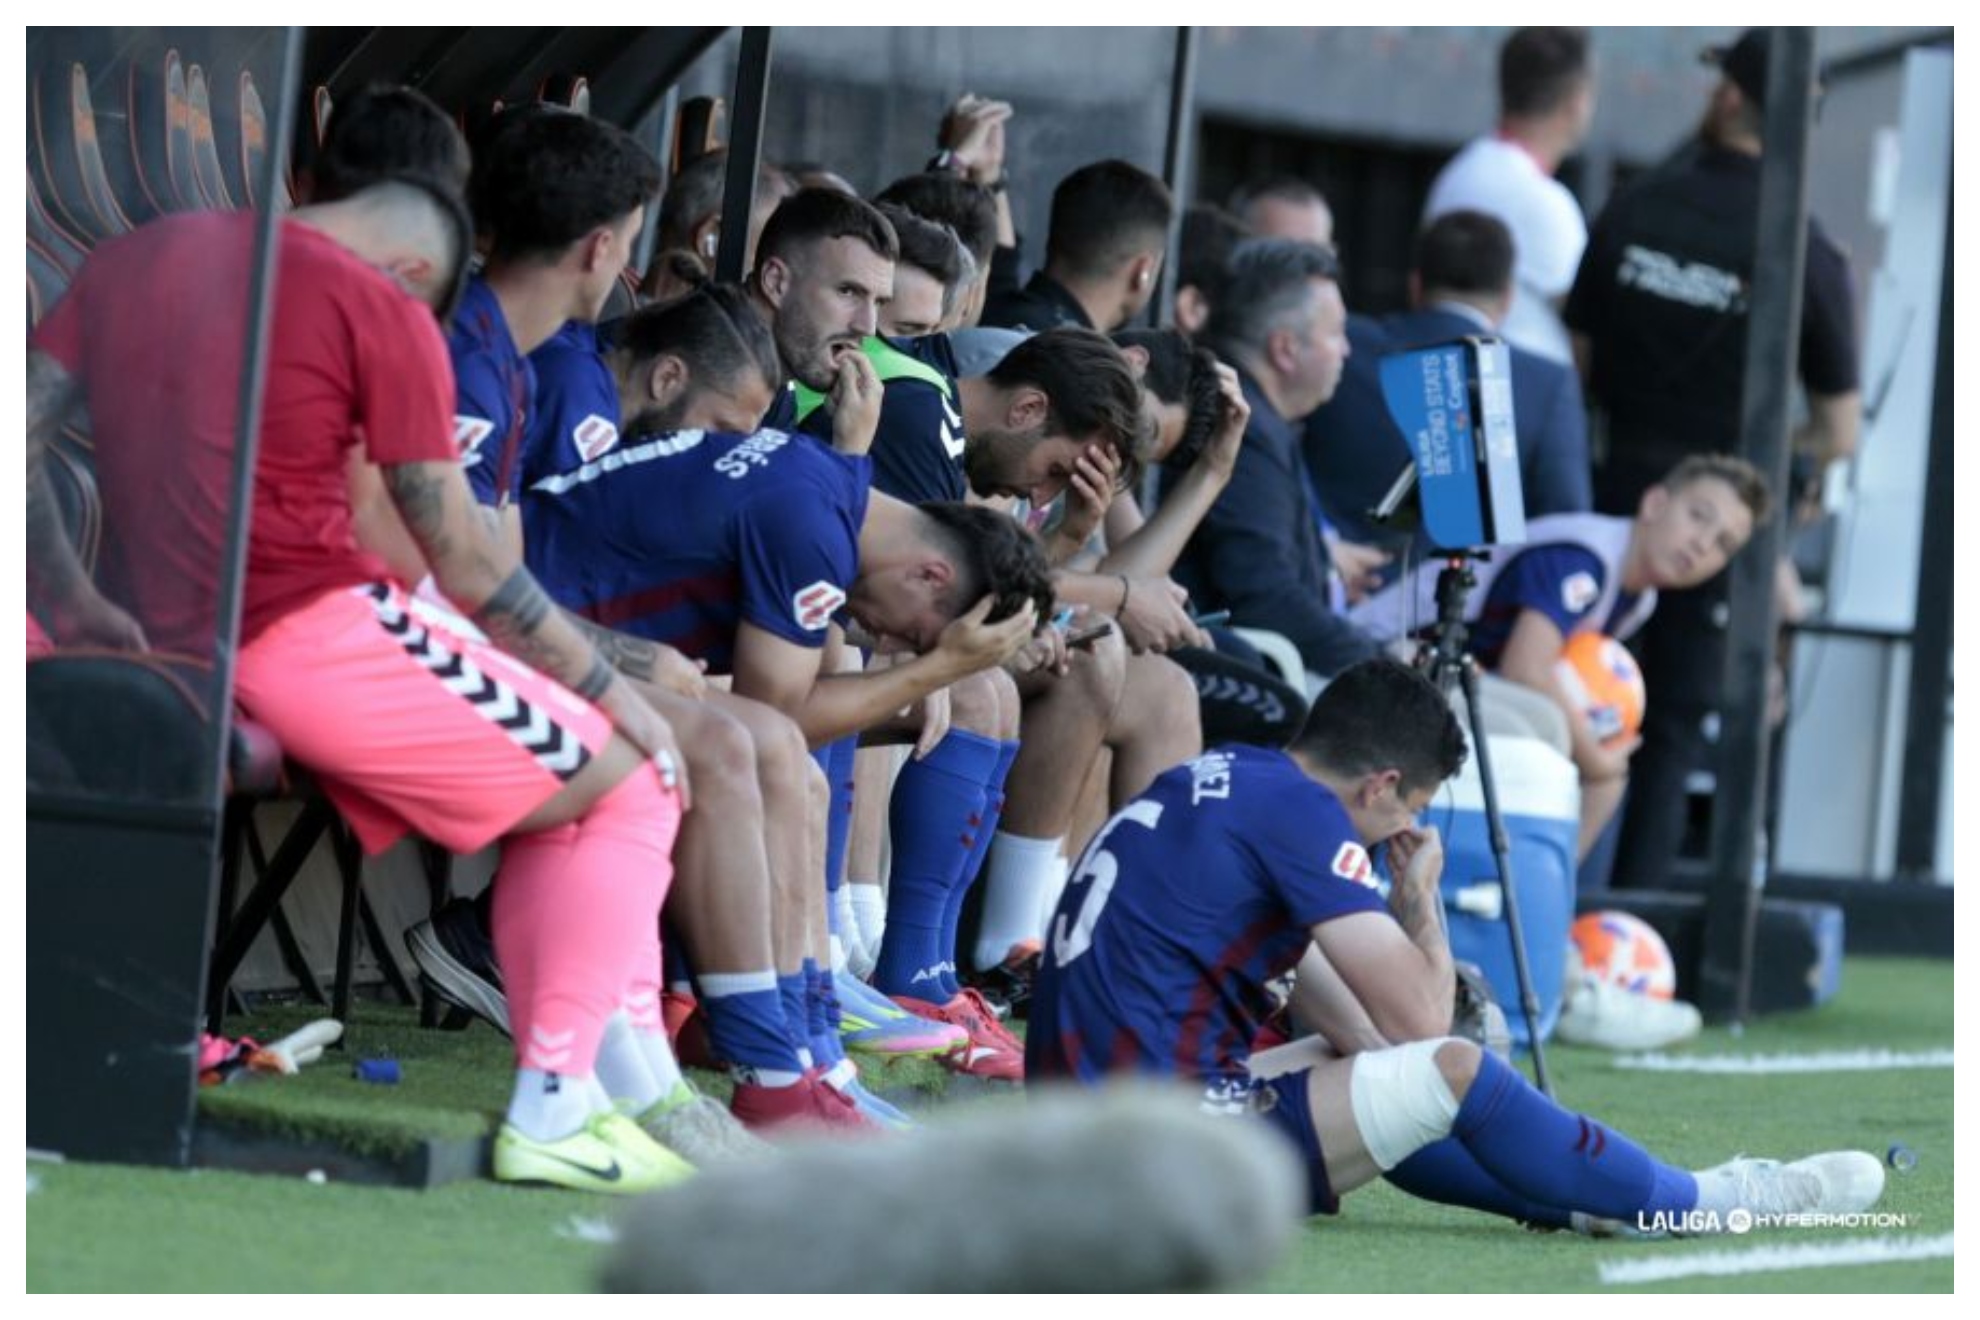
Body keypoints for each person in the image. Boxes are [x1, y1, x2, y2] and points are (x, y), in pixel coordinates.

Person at [30, 178, 696, 1195]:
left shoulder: (135, 257)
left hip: (171, 632)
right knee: (636, 777)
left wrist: (71, 599)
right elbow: (462, 560)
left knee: (595, 779)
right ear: (416, 273)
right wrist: (616, 686)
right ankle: (560, 1107)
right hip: (308, 632)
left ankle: (598, 1095)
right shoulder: (376, 304)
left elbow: (18, 426)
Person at [1028, 658, 1885, 1231]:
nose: (1407, 827)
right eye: (1413, 808)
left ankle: (1585, 1197)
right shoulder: (1303, 817)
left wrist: (1369, 1051)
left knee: (1364, 1063)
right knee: (1454, 1071)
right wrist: (1419, 901)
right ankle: (1701, 1201)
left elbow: (1358, 1030)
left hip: (1080, 1122)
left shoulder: (1230, 775)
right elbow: (1425, 1028)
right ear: (1383, 784)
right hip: (1145, 1143)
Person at [1566, 27, 1860, 891]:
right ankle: (1632, 928)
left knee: (1580, 707)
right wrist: (1758, 467)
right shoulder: (1809, 248)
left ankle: (1551, 913)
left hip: (1615, 503)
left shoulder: (1633, 206)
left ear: (1730, 96)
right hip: (1717, 536)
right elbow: (1839, 433)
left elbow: (1583, 360)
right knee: (1672, 730)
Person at [1352, 454, 1767, 862]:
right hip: (1382, 654)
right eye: (1699, 516)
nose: (1702, 544)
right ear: (1655, 503)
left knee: (1587, 743)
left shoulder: (1641, 597)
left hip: (1451, 674)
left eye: (1723, 545)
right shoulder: (1586, 558)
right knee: (1588, 761)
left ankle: (1541, 890)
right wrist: (1597, 759)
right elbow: (1526, 668)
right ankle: (1541, 901)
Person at [1303, 210, 1593, 553]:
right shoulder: (1547, 384)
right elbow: (1564, 527)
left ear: (1415, 285)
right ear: (1507, 297)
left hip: (1334, 589)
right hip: (1468, 601)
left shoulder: (1343, 346)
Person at [1172, 238, 1382, 688]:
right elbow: (1266, 598)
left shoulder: (1262, 419)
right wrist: (1385, 666)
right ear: (1285, 349)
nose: (1346, 350)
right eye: (1336, 333)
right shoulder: (1242, 427)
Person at [1423, 26, 1596, 366]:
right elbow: (1585, 333)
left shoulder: (1457, 173)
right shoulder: (1547, 203)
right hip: (1523, 403)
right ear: (1577, 102)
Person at [980, 158, 1172, 334]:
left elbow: (1000, 263)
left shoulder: (978, 306)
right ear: (1142, 272)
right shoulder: (1080, 366)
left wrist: (987, 173)